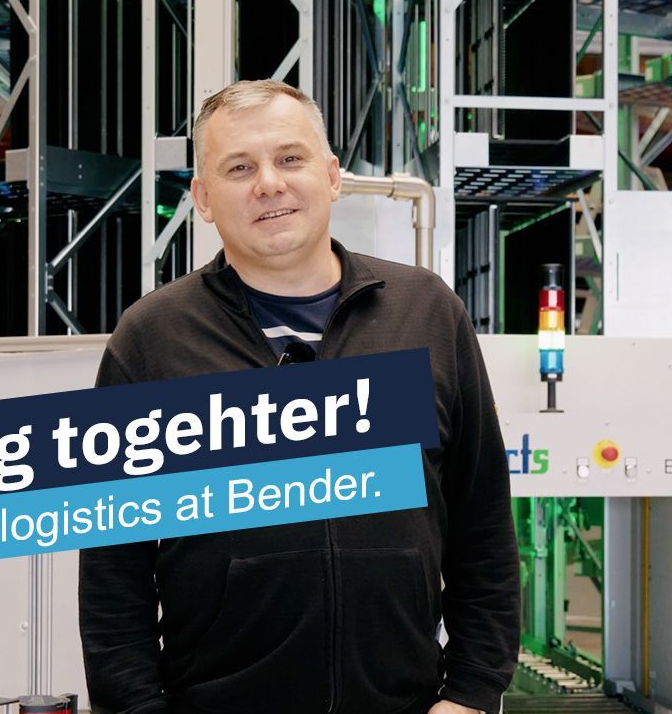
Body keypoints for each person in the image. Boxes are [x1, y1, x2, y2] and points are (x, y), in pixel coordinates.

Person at [79, 79, 520, 714]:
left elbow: (482, 524)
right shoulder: (154, 340)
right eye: (239, 167)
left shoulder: (426, 314)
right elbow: (112, 574)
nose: (269, 183)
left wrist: (474, 692)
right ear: (203, 199)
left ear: (332, 176)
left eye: (291, 158)